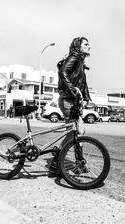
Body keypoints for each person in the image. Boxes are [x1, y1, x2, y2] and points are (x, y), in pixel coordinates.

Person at [49, 36, 91, 177]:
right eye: (86, 44)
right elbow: (63, 73)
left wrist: (86, 98)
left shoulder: (80, 61)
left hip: (74, 101)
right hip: (68, 100)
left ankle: (79, 163)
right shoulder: (74, 57)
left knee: (80, 132)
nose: (89, 46)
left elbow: (83, 83)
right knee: (72, 133)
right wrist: (73, 89)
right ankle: (56, 165)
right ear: (78, 46)